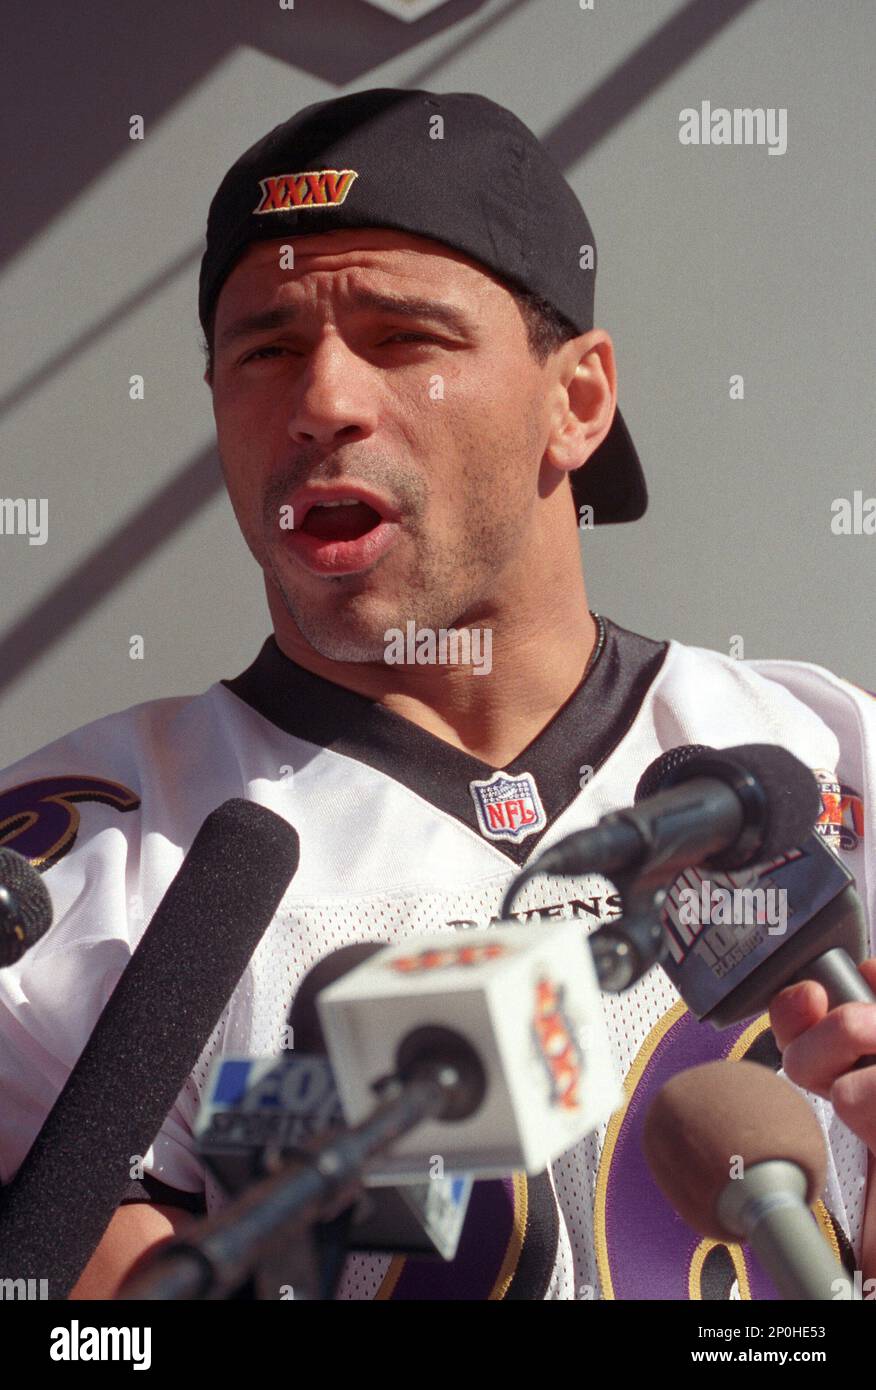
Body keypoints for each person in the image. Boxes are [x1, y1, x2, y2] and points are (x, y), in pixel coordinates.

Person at [0, 88, 873, 1300]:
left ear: (576, 402)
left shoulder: (826, 755)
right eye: (264, 348)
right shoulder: (78, 863)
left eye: (404, 336)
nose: (321, 403)